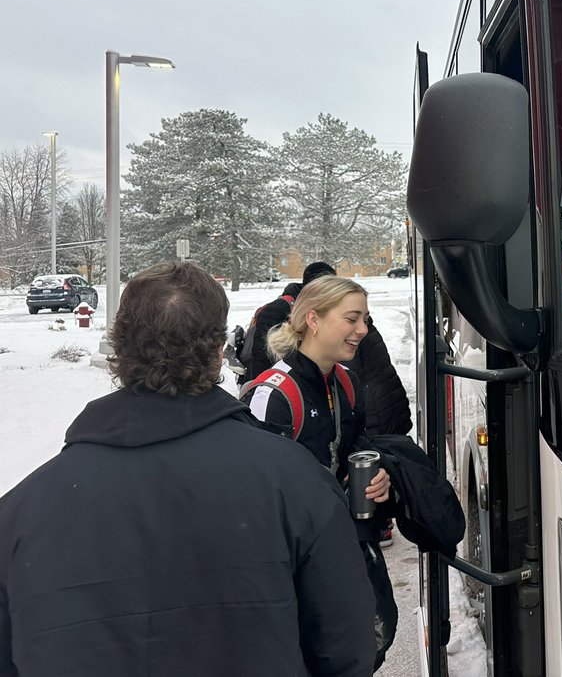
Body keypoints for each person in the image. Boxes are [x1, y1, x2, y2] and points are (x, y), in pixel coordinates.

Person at [0, 262, 376, 677]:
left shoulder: (20, 513)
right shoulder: (296, 483)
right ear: (218, 351)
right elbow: (345, 647)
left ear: (119, 350)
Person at [244, 275, 398, 669]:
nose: (363, 330)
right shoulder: (274, 394)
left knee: (366, 642)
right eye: (352, 319)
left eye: (366, 318)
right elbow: (256, 498)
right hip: (294, 566)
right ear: (313, 319)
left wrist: (378, 477)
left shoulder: (346, 381)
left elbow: (357, 445)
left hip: (342, 547)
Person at [241, 259, 335, 386]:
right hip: (276, 385)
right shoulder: (278, 310)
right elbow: (261, 356)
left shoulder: (324, 309)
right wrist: (259, 388)